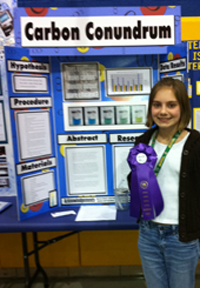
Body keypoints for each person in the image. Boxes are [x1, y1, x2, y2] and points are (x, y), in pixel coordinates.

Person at [128, 77, 200, 288]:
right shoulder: (143, 141)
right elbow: (137, 183)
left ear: (182, 107)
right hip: (148, 233)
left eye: (171, 105)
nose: (163, 111)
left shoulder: (195, 145)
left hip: (182, 237)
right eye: (157, 104)